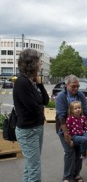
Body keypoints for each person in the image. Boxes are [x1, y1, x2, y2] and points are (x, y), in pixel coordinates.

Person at [13, 48, 49, 182]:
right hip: (28, 131)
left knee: (30, 167)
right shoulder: (22, 83)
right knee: (34, 169)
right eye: (39, 61)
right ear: (32, 63)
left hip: (35, 128)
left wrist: (40, 84)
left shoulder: (31, 82)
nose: (40, 64)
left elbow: (45, 100)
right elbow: (34, 108)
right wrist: (40, 107)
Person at [56, 74, 87, 182]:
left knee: (79, 151)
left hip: (79, 129)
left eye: (77, 86)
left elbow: (86, 112)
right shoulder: (61, 96)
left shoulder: (80, 95)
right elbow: (61, 116)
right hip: (64, 128)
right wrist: (66, 134)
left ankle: (76, 174)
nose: (76, 88)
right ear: (66, 85)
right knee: (70, 152)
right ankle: (67, 177)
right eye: (73, 86)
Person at [66, 101, 87, 166]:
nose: (78, 110)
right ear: (71, 110)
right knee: (84, 139)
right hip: (74, 136)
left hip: (82, 133)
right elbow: (68, 130)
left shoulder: (83, 117)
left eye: (79, 108)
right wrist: (70, 140)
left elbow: (85, 127)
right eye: (75, 108)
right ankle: (84, 156)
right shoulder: (70, 118)